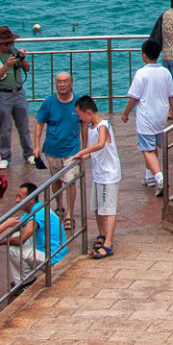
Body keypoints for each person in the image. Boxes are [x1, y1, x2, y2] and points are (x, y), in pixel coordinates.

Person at [121, 40, 173, 193]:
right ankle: (149, 176)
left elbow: (134, 98)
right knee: (152, 147)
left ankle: (160, 179)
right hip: (161, 116)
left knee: (147, 149)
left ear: (144, 55)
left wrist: (125, 113)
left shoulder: (141, 73)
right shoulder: (165, 72)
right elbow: (172, 95)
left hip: (146, 117)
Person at [72, 95, 120, 258]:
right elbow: (96, 151)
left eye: (80, 115)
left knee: (108, 209)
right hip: (99, 174)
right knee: (99, 208)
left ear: (88, 112)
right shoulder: (92, 127)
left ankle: (108, 242)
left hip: (109, 174)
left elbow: (100, 144)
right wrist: (84, 157)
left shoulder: (103, 126)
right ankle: (102, 233)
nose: (80, 118)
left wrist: (82, 151)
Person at [0, 27, 38, 171]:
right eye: (7, 43)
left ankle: (28, 153)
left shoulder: (14, 53)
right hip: (3, 95)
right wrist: (6, 65)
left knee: (24, 126)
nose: (10, 46)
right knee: (5, 128)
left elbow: (26, 69)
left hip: (19, 93)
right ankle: (4, 156)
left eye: (11, 43)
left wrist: (23, 59)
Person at [0, 181, 68, 292]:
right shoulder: (34, 209)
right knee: (15, 235)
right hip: (50, 252)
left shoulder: (38, 213)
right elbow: (15, 228)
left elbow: (20, 240)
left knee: (14, 249)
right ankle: (23, 279)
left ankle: (26, 281)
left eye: (20, 197)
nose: (17, 200)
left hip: (54, 258)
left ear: (30, 199)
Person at [33, 71, 82, 177]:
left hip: (72, 150)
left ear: (71, 83)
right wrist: (36, 146)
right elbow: (39, 124)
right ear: (55, 84)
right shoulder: (48, 102)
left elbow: (84, 125)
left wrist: (84, 148)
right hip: (52, 150)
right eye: (59, 82)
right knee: (56, 181)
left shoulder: (79, 102)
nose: (62, 84)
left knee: (70, 181)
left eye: (65, 81)